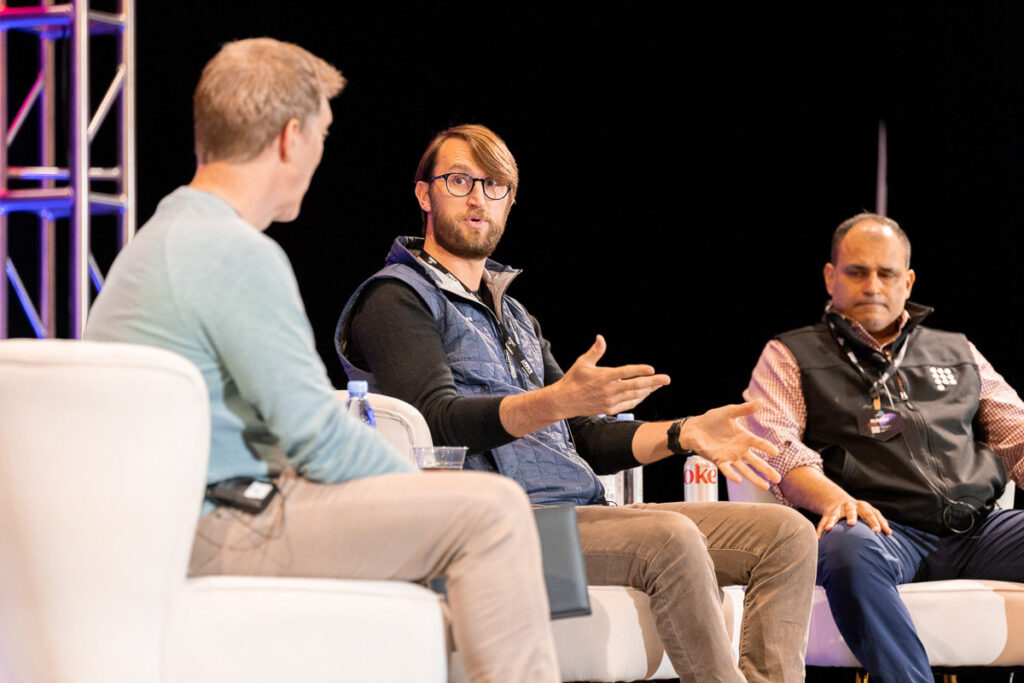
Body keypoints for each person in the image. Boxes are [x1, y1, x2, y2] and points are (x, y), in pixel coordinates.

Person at [84, 40, 560, 683]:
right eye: (322, 135)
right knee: (493, 511)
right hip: (218, 523)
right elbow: (320, 444)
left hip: (173, 521)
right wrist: (428, 488)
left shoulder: (163, 237)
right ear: (288, 138)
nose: (319, 155)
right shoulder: (232, 252)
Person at [335, 123, 817, 683]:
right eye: (459, 180)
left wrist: (682, 433)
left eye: (495, 187)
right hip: (502, 525)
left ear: (510, 203)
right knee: (671, 536)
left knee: (784, 534)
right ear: (425, 194)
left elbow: (584, 436)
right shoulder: (396, 297)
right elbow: (437, 421)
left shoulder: (514, 317)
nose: (477, 199)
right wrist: (552, 402)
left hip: (583, 513)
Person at [743, 212, 1024, 682]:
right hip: (878, 529)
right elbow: (775, 445)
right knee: (846, 548)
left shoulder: (957, 350)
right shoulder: (792, 354)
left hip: (976, 529)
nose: (873, 285)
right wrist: (836, 499)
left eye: (887, 273)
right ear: (831, 277)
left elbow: (1016, 432)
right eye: (857, 272)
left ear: (907, 282)